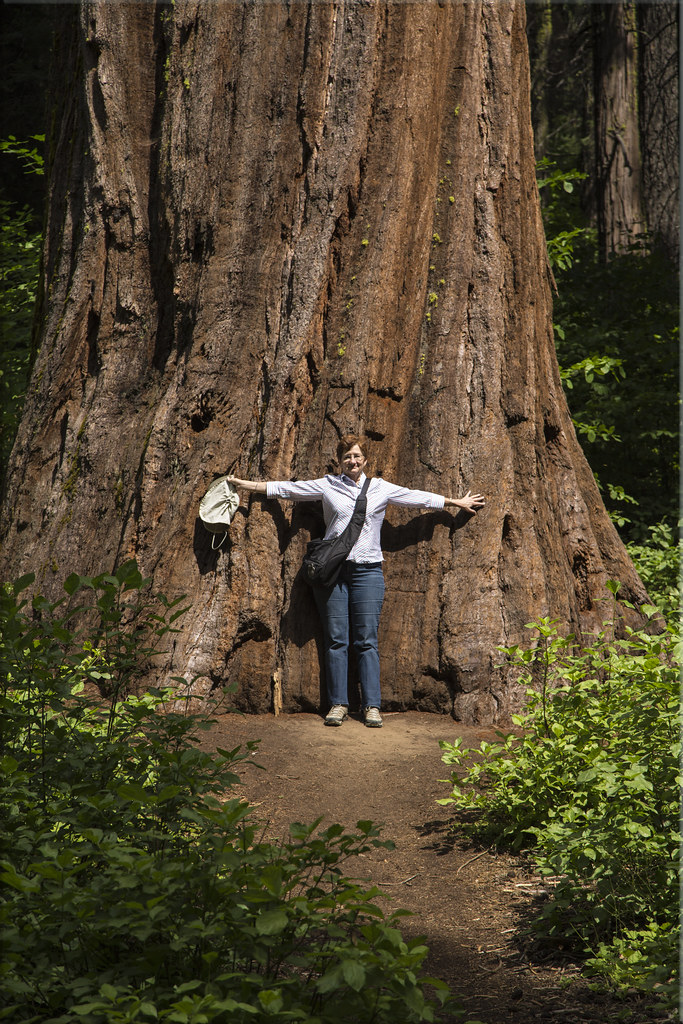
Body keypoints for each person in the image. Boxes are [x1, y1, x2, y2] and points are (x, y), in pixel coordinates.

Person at [226, 435, 485, 728]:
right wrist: (245, 485)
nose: (353, 461)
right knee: (336, 640)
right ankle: (338, 704)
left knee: (366, 641)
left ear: (365, 460)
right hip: (333, 573)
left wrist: (454, 502)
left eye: (357, 456)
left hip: (368, 572)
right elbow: (288, 489)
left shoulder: (380, 488)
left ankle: (372, 706)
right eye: (347, 456)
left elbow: (416, 497)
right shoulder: (327, 485)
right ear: (340, 461)